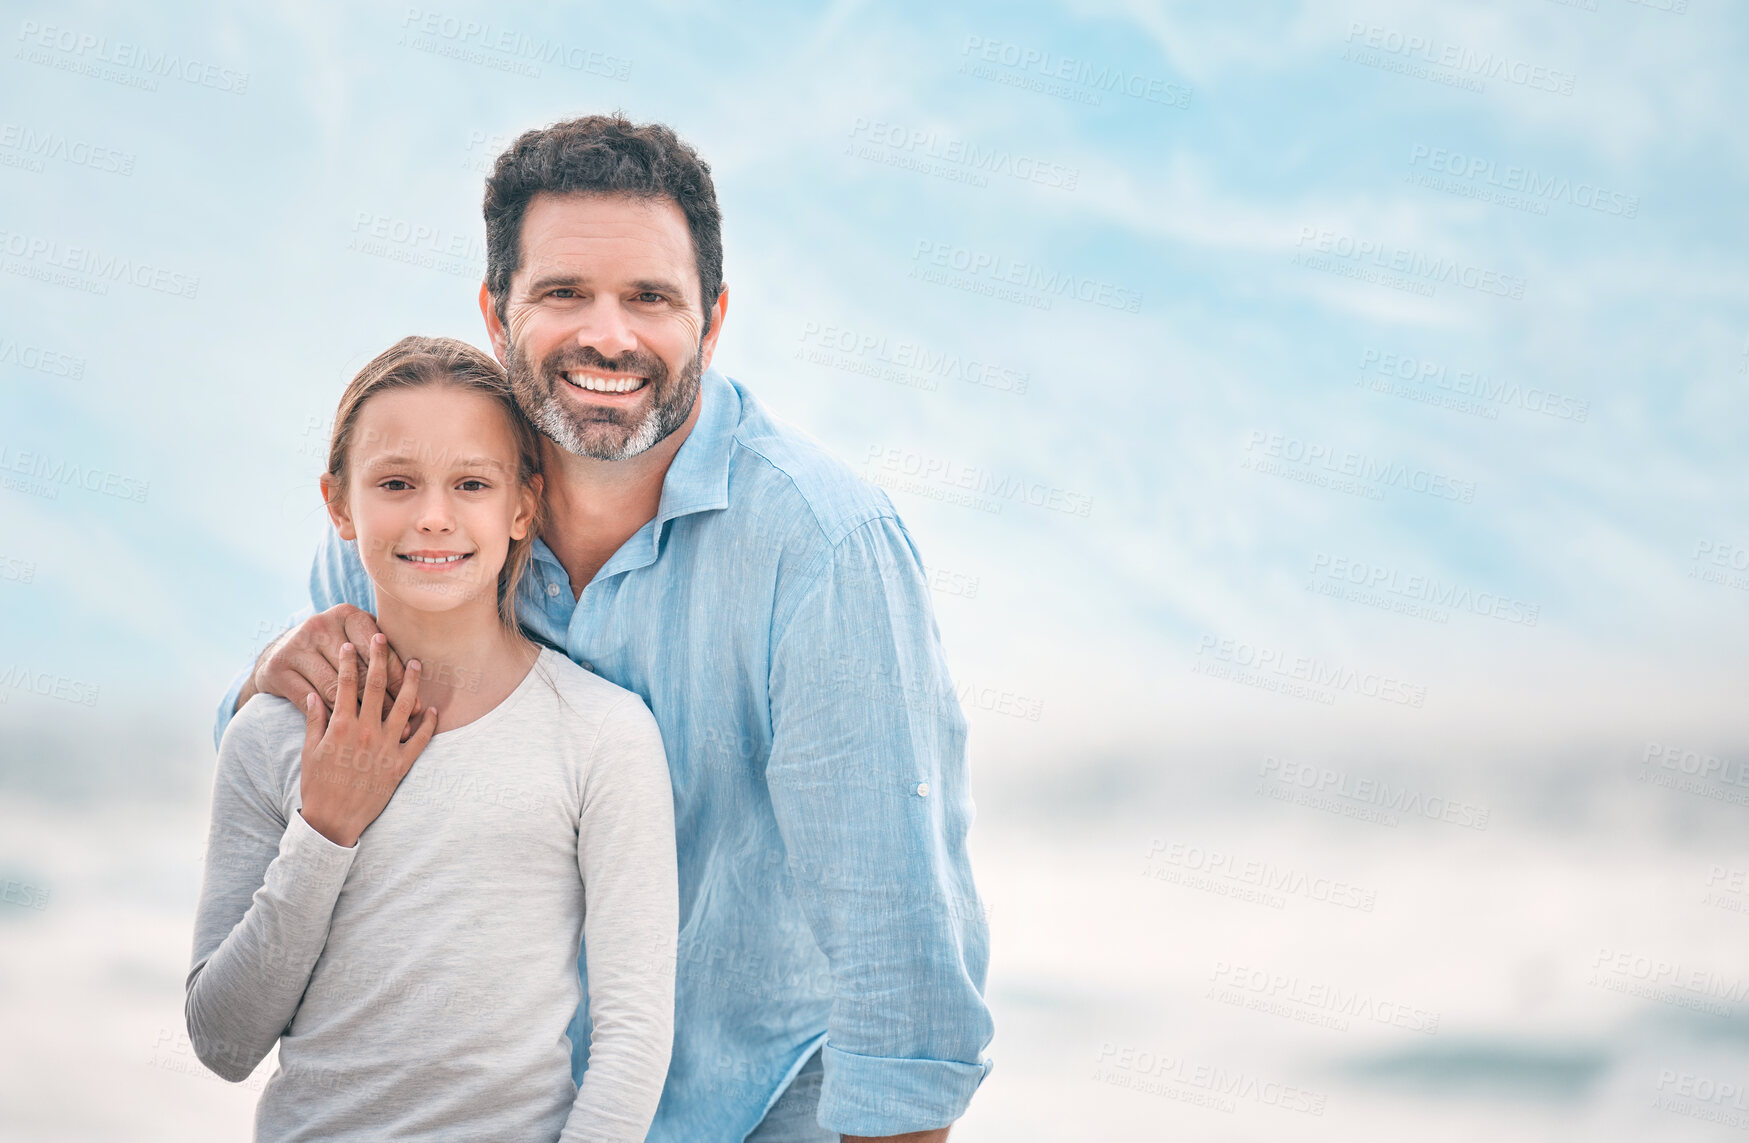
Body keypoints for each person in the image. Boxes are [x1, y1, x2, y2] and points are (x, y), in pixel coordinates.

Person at [214, 115, 993, 1142]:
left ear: (712, 323)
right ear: (496, 315)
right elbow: (279, 818)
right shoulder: (420, 527)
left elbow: (900, 970)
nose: (610, 335)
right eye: (565, 293)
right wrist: (270, 674)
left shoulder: (822, 551)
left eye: (651, 299)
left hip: (745, 1112)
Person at [188, 336, 678, 1141]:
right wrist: (326, 827)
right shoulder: (270, 735)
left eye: (472, 483)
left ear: (522, 507)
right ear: (338, 505)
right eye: (395, 483)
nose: (433, 516)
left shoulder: (600, 734)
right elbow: (222, 1040)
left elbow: (632, 1038)